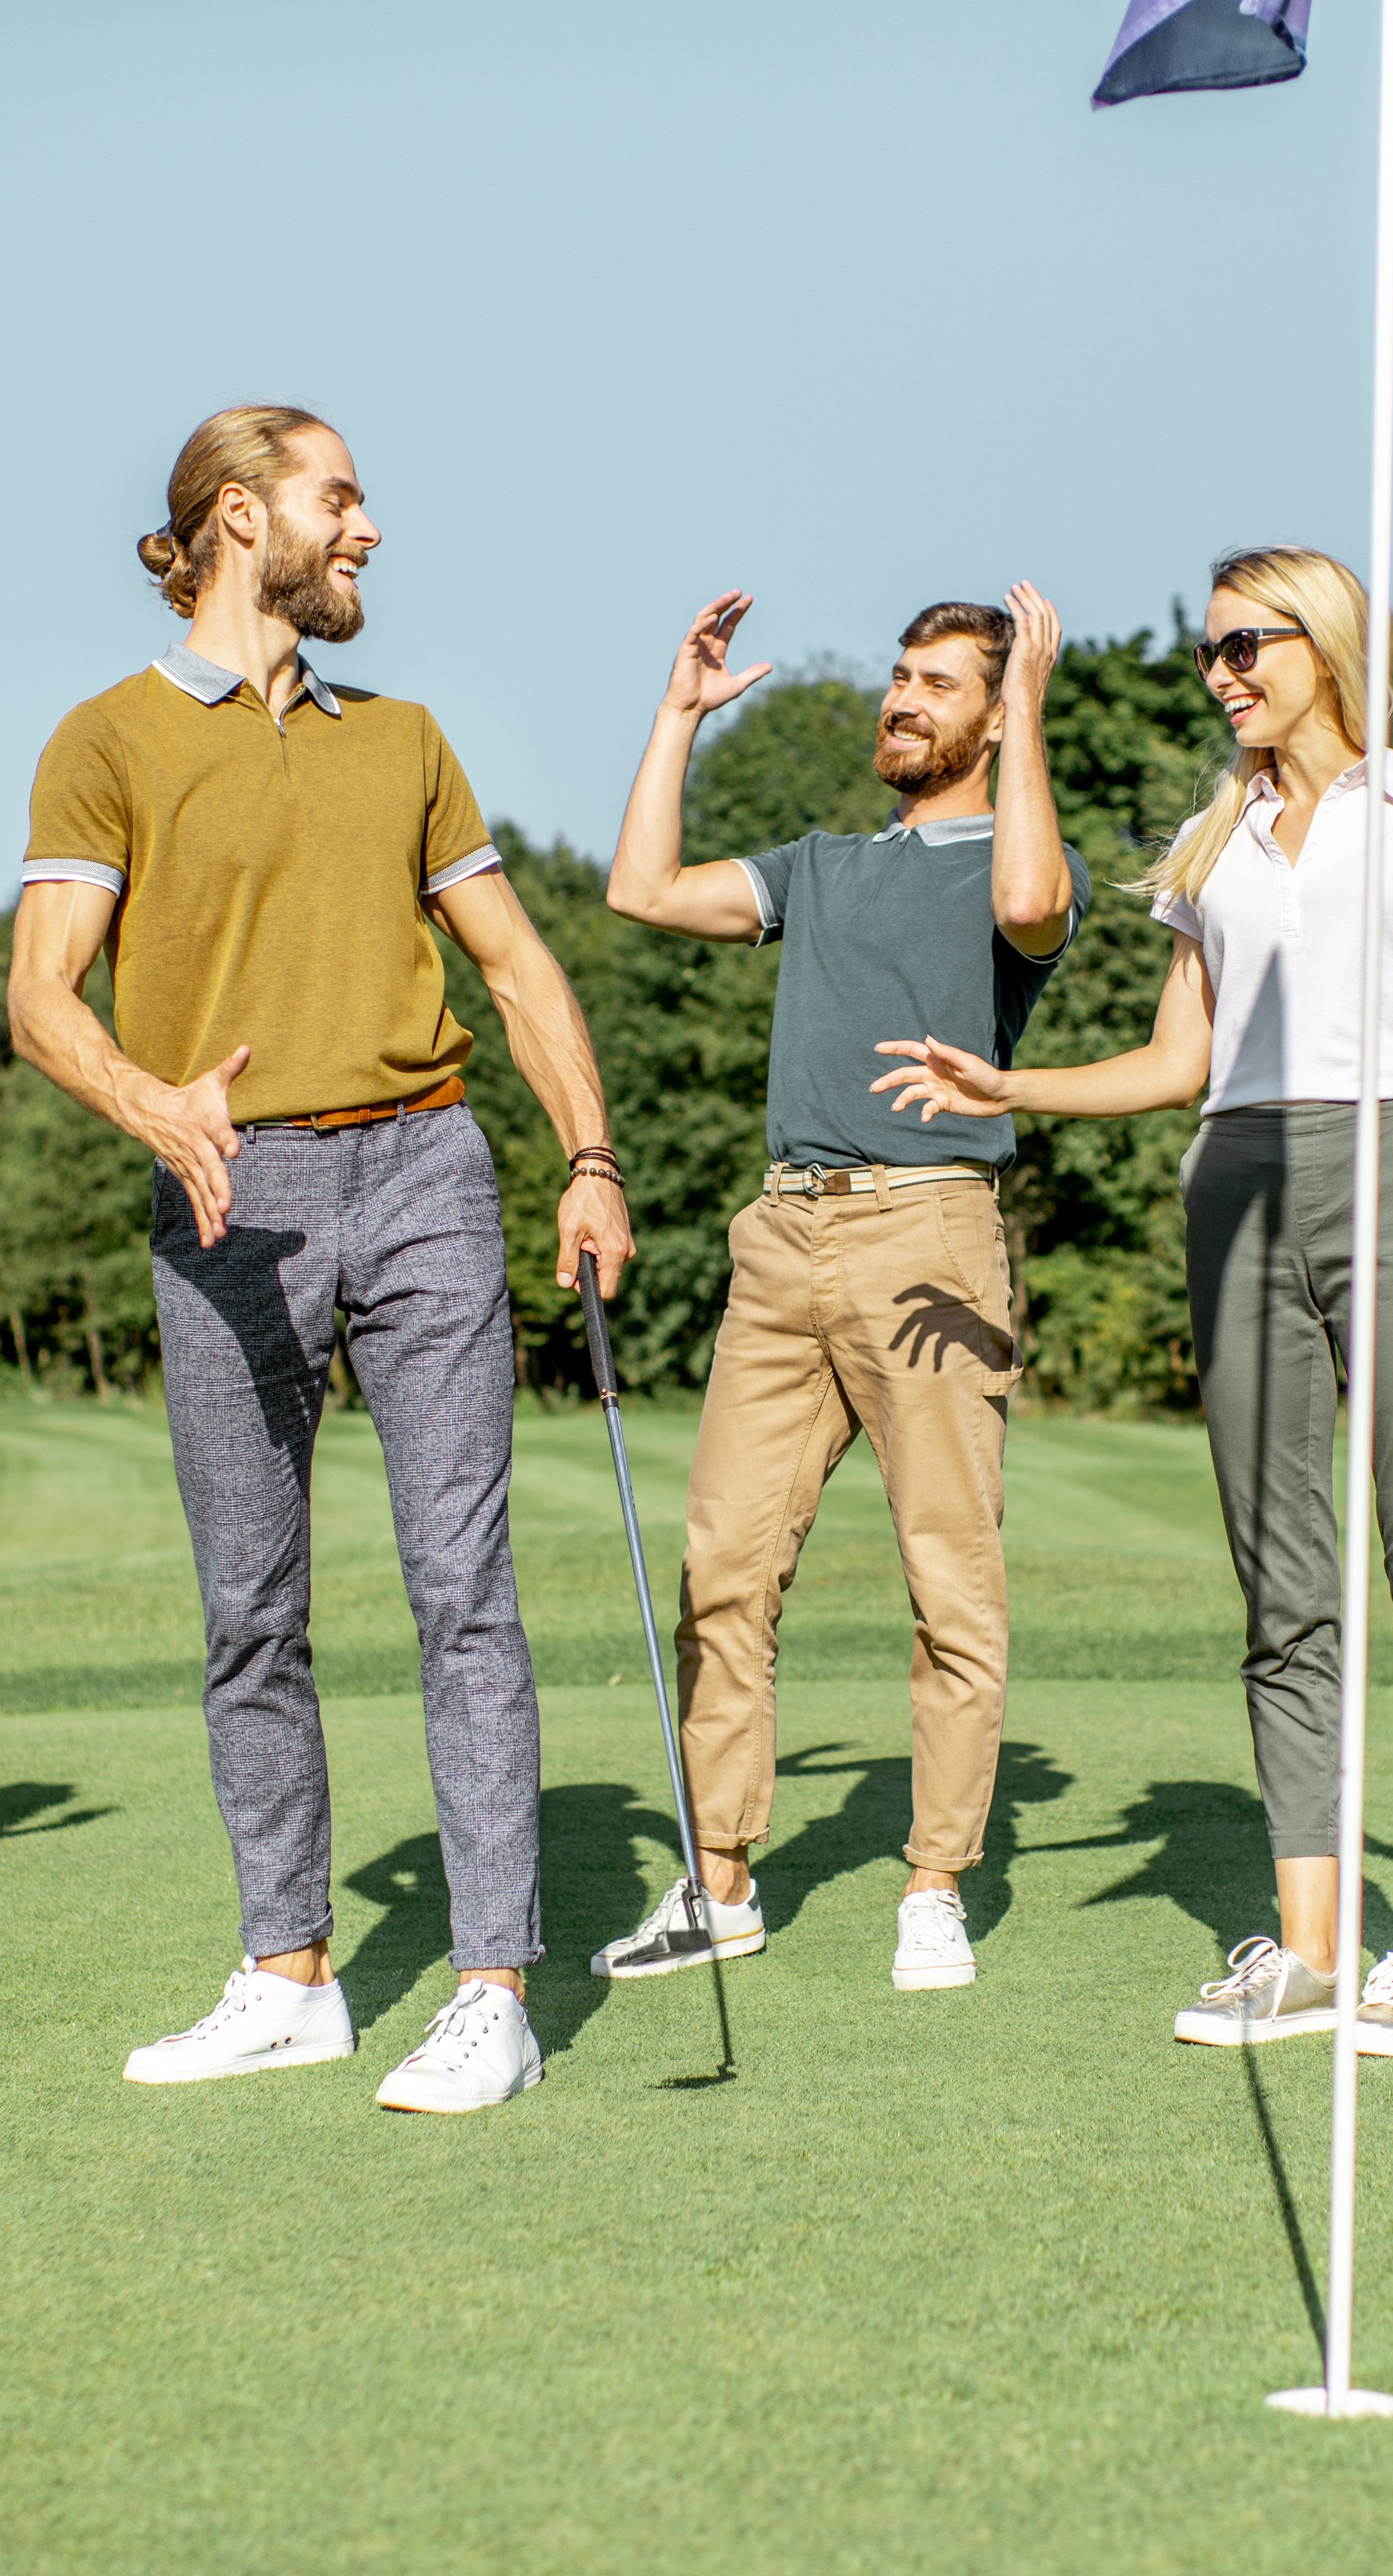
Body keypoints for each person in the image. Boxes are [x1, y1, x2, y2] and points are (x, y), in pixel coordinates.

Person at [878, 546, 1393, 2055]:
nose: (1222, 672)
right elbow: (1178, 1063)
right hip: (1232, 1183)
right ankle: (1300, 1950)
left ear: (1324, 644)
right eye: (1209, 652)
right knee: (1281, 1585)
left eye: (1244, 645)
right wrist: (1002, 1083)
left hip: (1386, 1166)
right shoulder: (1210, 836)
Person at [10, 401, 633, 2115]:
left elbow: (512, 968)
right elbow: (37, 991)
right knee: (250, 1613)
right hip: (228, 1189)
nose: (364, 530)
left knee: (461, 1591)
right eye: (337, 499)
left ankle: (492, 1986)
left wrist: (585, 1155)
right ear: (234, 515)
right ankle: (289, 1971)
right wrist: (155, 1105)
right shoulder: (106, 740)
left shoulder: (407, 738)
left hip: (426, 1166)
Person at [591, 585, 1085, 1992]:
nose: (902, 700)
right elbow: (640, 891)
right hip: (783, 1235)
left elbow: (1034, 904)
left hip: (931, 1234)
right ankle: (722, 1881)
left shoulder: (1019, 860)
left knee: (949, 1575)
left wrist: (1033, 705)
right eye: (900, 678)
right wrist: (676, 717)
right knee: (723, 1570)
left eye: (940, 684)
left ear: (994, 716)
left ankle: (934, 1884)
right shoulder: (818, 865)